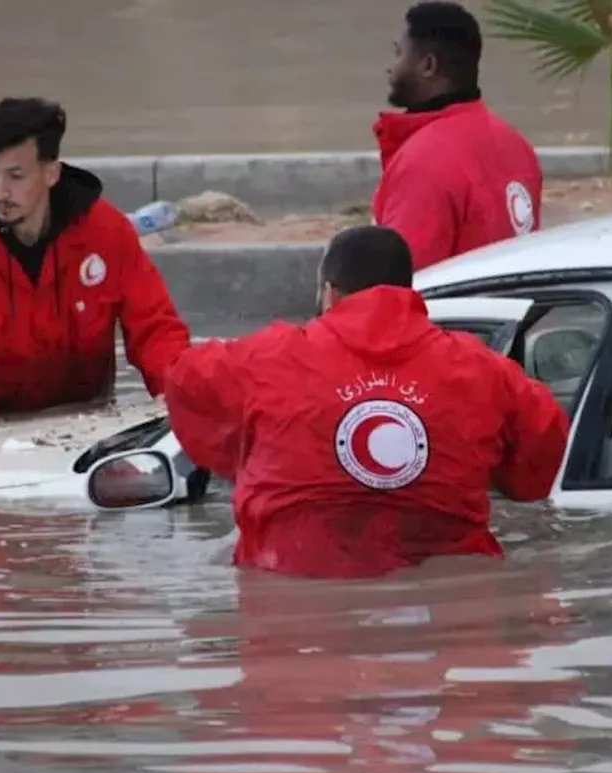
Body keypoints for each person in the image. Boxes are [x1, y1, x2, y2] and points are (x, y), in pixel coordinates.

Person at [165, 225, 569, 578]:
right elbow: (535, 470)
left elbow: (183, 377)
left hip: (296, 612)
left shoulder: (263, 360)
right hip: (447, 609)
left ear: (329, 291)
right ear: (407, 289)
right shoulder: (485, 371)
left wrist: (248, 454)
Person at [0, 96, 191, 419]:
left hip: (87, 422)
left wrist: (178, 398)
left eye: (15, 176)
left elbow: (155, 329)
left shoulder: (108, 233)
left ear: (51, 173)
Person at [373, 1, 543, 271]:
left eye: (398, 53)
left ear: (428, 65)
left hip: (451, 312)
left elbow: (401, 288)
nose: (390, 67)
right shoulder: (517, 145)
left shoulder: (423, 162)